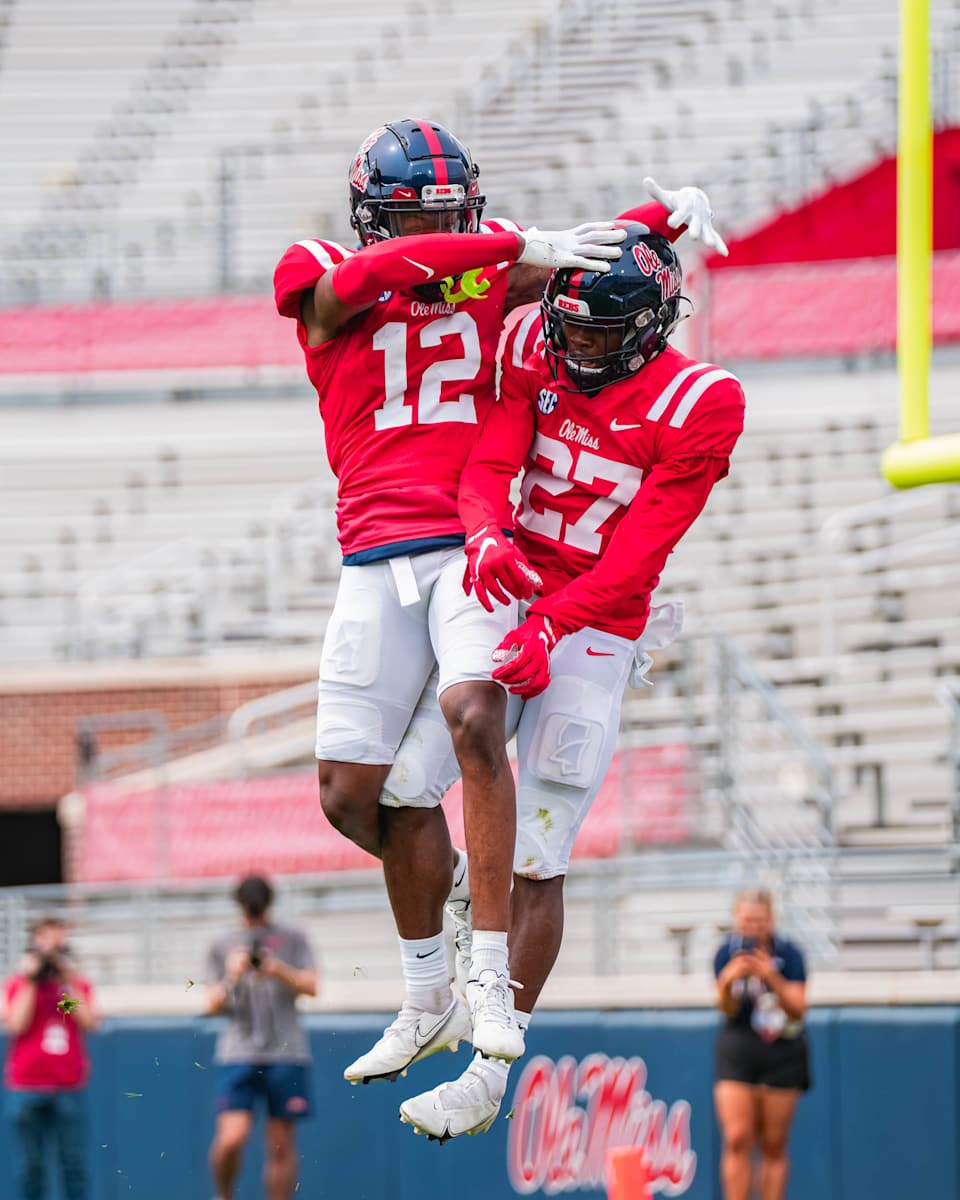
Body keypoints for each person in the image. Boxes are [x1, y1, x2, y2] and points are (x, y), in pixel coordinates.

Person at [272, 116, 729, 1090]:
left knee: (474, 722)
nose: (429, 231)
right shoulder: (337, 270)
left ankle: (470, 982)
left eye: (447, 215)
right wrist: (509, 246)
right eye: (412, 217)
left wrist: (657, 219)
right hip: (373, 551)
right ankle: (440, 954)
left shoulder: (493, 277)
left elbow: (597, 276)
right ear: (371, 217)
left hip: (479, 547)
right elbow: (358, 285)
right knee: (353, 796)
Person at [393, 223, 746, 1141]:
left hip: (598, 623)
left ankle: (486, 1070)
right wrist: (484, 533)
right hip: (513, 578)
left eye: (599, 336)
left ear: (653, 327)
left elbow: (638, 556)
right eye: (569, 329)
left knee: (541, 849)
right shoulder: (532, 339)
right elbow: (492, 461)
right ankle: (454, 929)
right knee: (402, 780)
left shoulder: (699, 402)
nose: (577, 347)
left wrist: (556, 623)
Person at [205, 874, 318, 1200]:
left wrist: (277, 969)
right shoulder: (221, 941)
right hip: (238, 1051)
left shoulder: (293, 937)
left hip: (287, 1051)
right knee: (231, 1138)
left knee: (280, 1145)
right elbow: (211, 1003)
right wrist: (233, 974)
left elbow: (312, 985)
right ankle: (223, 1196)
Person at [713, 889, 810, 1200]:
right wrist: (729, 980)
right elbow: (725, 1008)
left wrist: (772, 977)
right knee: (737, 1137)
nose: (752, 927)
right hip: (739, 1046)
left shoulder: (790, 954)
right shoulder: (724, 953)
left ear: (771, 919)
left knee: (773, 1142)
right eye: (746, 920)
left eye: (759, 919)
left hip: (783, 1048)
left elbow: (798, 1007)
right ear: (736, 920)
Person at [3, 915, 99, 1200]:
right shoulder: (19, 984)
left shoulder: (71, 986)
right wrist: (32, 980)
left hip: (67, 1087)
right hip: (26, 1087)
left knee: (73, 1165)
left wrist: (65, 980)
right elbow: (16, 1024)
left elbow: (89, 1022)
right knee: (29, 1167)